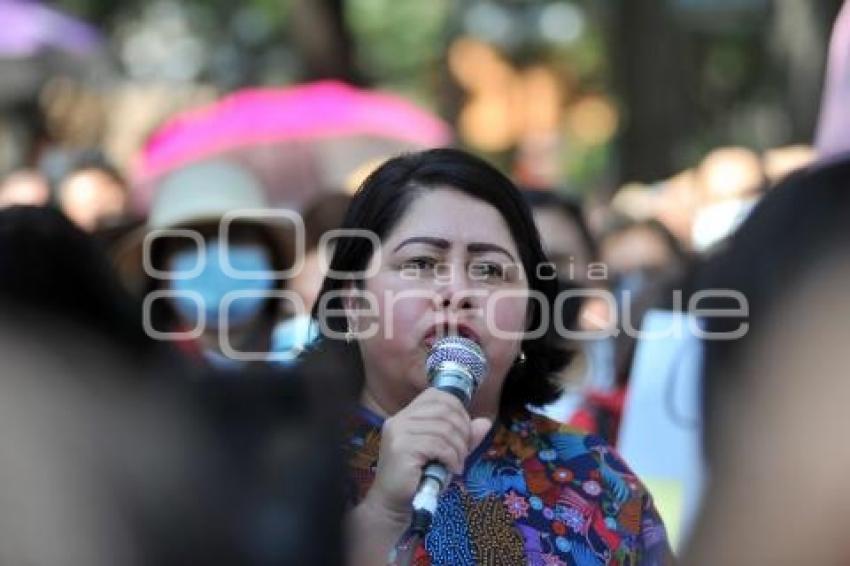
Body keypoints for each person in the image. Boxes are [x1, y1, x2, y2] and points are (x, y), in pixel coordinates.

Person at [302, 149, 672, 565]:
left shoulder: (595, 477)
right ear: (353, 303)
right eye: (422, 263)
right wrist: (383, 512)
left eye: (490, 271)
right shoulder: (278, 462)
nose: (457, 292)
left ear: (530, 313)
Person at [113, 160, 294, 369]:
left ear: (273, 255)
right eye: (190, 242)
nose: (218, 258)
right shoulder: (134, 382)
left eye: (235, 235)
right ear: (159, 271)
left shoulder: (315, 369)